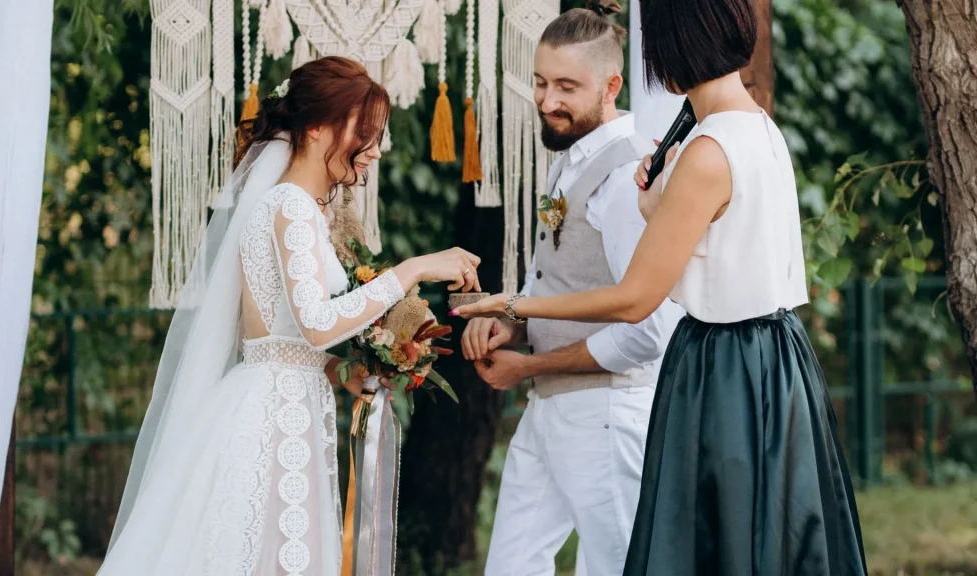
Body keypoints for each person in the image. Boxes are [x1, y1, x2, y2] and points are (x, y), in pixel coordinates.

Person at [453, 0, 868, 573]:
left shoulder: (706, 150)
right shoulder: (758, 129)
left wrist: (513, 305)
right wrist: (654, 204)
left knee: (710, 545)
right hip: (775, 355)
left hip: (727, 363)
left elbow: (635, 300)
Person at [99, 56, 482, 576]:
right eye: (364, 134)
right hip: (275, 414)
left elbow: (270, 331)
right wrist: (414, 269)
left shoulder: (298, 208)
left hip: (284, 398)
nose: (373, 150)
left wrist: (338, 370)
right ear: (319, 126)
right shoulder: (291, 207)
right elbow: (317, 324)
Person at [461, 2, 683, 574]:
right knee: (510, 564)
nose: (547, 101)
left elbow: (648, 331)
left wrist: (525, 367)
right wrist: (512, 324)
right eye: (539, 82)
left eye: (565, 86)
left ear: (612, 85)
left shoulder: (628, 177)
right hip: (552, 409)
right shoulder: (571, 158)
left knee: (614, 566)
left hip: (608, 413)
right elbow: (565, 280)